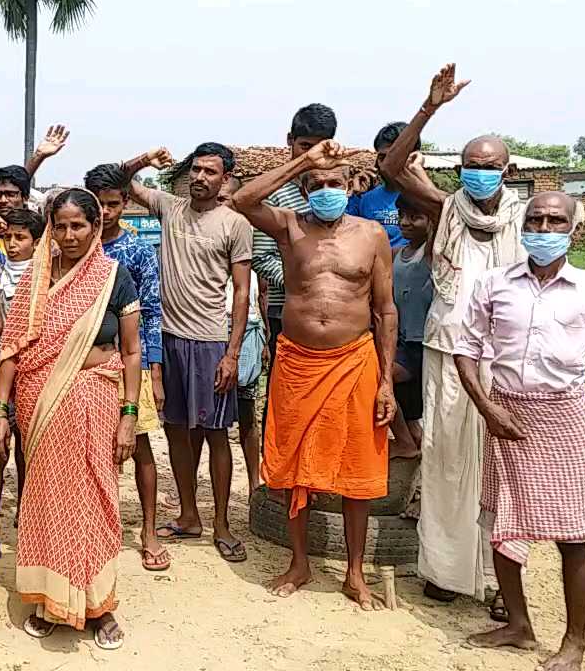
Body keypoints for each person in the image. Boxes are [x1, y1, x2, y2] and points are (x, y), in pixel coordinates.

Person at [379, 64, 526, 614]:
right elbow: (392, 166)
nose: (480, 174)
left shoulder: (525, 219)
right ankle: (446, 569)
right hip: (448, 352)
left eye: (489, 167)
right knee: (446, 460)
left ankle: (495, 580)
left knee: (499, 468)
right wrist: (430, 106)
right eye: (470, 166)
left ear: (506, 170)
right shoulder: (446, 210)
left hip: (508, 358)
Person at [233, 139, 398, 609]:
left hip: (354, 361)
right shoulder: (289, 227)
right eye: (316, 185)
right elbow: (244, 200)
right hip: (298, 362)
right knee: (293, 466)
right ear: (304, 190)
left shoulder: (371, 235)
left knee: (358, 468)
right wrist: (304, 161)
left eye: (334, 183)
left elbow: (385, 312)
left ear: (350, 186)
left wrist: (386, 382)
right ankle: (300, 561)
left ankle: (353, 571)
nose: (326, 190)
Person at [454, 192, 585, 671]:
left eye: (555, 220)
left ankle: (574, 642)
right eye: (535, 218)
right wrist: (485, 407)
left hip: (566, 418)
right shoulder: (495, 283)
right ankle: (518, 624)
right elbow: (465, 347)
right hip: (507, 415)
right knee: (502, 523)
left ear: (574, 230)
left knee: (572, 534)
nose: (542, 227)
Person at [0, 187, 140, 650]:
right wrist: (2, 412)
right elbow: (13, 350)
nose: (70, 234)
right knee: (46, 499)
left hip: (97, 400)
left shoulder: (113, 277)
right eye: (61, 226)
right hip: (41, 404)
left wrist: (129, 416)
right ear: (50, 230)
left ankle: (99, 606)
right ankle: (49, 601)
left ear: (96, 228)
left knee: (96, 498)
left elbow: (132, 352)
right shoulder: (36, 280)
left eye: (79, 225)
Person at [124, 143, 253, 564]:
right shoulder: (169, 207)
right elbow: (115, 180)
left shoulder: (235, 224)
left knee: (216, 434)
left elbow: (240, 291)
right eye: (196, 169)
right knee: (176, 429)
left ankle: (221, 524)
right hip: (169, 337)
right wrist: (144, 160)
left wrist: (232, 353)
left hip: (212, 340)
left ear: (225, 180)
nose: (200, 177)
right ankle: (188, 515)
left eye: (210, 172)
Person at [85, 162, 167, 571]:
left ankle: (149, 530)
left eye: (113, 204)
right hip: (82, 366)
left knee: (139, 444)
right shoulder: (74, 244)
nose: (106, 213)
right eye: (98, 205)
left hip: (127, 362)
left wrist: (155, 369)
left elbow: (151, 311)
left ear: (124, 203)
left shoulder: (135, 249)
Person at [252, 103, 337, 380]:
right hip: (285, 309)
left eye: (319, 146)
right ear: (290, 141)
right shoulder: (274, 192)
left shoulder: (335, 187)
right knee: (288, 386)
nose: (312, 154)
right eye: (304, 146)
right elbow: (262, 257)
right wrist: (299, 281)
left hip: (332, 310)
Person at [0, 206, 43, 557]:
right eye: (7, 237)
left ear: (36, 243)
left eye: (20, 238)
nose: (12, 244)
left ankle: (26, 514)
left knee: (28, 451)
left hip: (33, 374)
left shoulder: (44, 280)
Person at [0, 86, 67, 274]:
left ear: (25, 197)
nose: (3, 200)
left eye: (11, 195)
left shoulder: (37, 228)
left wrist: (38, 157)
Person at [219, 176, 269, 495]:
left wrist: (263, 336)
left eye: (229, 199)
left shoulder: (250, 241)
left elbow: (261, 293)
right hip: (211, 332)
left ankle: (254, 482)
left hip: (247, 333)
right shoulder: (205, 242)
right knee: (212, 419)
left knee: (248, 411)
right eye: (220, 199)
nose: (224, 205)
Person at [388, 194, 433, 460]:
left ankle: (404, 442)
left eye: (414, 217)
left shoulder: (431, 252)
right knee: (404, 397)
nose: (405, 223)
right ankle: (413, 440)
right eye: (401, 216)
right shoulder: (396, 254)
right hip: (402, 340)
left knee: (376, 381)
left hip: (422, 341)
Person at [348, 121, 420, 249]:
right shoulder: (365, 199)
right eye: (382, 157)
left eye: (395, 156)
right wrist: (353, 195)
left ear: (413, 157)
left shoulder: (426, 198)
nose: (387, 164)